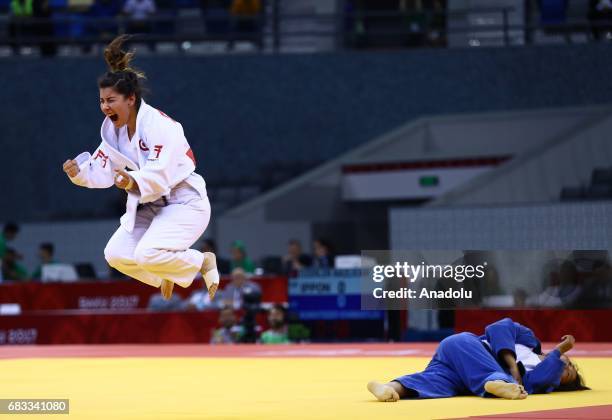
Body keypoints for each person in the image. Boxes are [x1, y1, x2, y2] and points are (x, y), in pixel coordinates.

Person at [62, 35, 219, 302]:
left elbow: (159, 173)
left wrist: (131, 181)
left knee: (146, 253)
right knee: (115, 254)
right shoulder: (114, 133)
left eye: (111, 100)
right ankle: (164, 274)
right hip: (150, 205)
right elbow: (101, 166)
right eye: (101, 101)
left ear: (130, 99)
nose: (104, 107)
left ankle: (202, 261)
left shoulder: (160, 126)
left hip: (184, 202)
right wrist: (79, 173)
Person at [367, 317, 588, 402]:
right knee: (497, 379)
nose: (563, 366)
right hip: (466, 347)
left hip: (462, 377)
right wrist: (512, 366)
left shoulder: (534, 379)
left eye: (564, 373)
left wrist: (559, 352)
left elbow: (541, 379)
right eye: (568, 363)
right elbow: (500, 327)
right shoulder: (530, 341)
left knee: (433, 381)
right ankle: (495, 382)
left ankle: (389, 388)